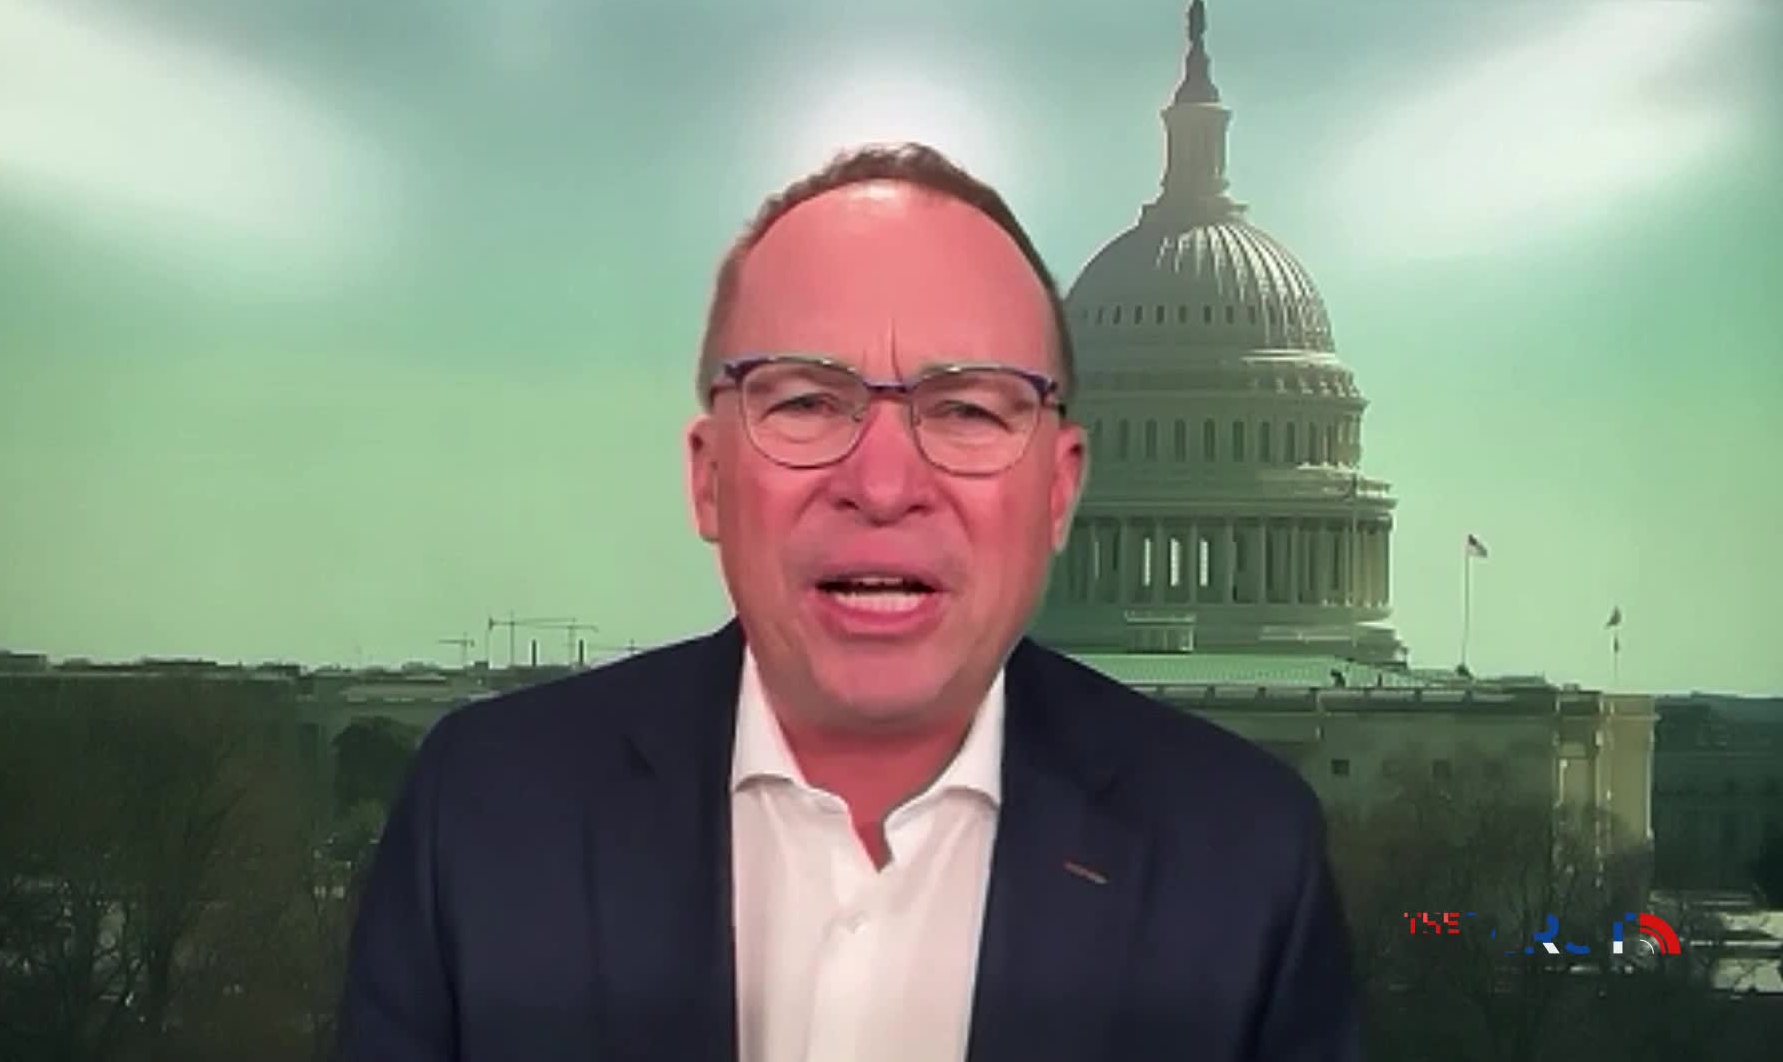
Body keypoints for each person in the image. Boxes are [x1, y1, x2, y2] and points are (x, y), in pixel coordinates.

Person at [336, 142, 1364, 1061]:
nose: (881, 484)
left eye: (964, 409)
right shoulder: (485, 825)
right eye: (806, 403)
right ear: (707, 477)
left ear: (1059, 488)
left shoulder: (1244, 863)